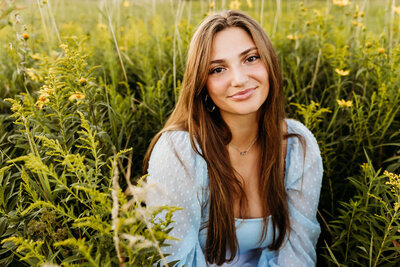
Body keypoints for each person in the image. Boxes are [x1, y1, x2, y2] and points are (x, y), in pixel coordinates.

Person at [144, 10, 323, 267]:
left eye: (251, 58)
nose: (239, 80)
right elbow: (171, 260)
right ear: (201, 83)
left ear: (269, 62)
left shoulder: (296, 145)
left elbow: (297, 253)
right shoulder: (180, 151)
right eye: (218, 69)